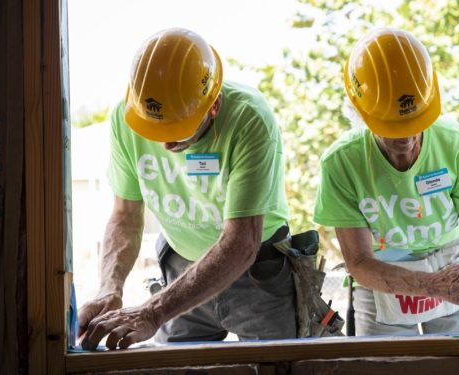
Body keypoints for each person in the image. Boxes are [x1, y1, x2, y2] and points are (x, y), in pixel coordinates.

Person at [78, 27, 296, 350]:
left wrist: (154, 310)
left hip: (258, 269)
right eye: (154, 129)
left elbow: (241, 242)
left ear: (214, 106)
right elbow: (124, 215)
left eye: (177, 130)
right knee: (177, 367)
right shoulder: (126, 119)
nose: (165, 143)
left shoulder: (249, 119)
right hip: (181, 269)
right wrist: (110, 287)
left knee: (279, 365)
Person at [313, 28, 459, 336]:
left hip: (451, 262)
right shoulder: (342, 162)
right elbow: (360, 262)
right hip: (380, 275)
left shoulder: (456, 145)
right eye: (391, 127)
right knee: (387, 364)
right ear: (361, 114)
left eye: (414, 122)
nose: (405, 140)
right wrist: (431, 286)